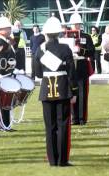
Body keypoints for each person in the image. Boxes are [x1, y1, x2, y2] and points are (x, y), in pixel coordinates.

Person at [33, 16, 77, 167]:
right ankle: (62, 160)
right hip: (63, 89)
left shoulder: (40, 49)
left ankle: (52, 160)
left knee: (50, 126)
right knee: (63, 125)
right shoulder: (65, 48)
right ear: (59, 33)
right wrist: (75, 92)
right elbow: (72, 73)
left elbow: (37, 73)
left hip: (46, 90)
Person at [68, 13, 94, 125]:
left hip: (82, 64)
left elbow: (91, 51)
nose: (77, 26)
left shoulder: (86, 36)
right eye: (75, 24)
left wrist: (80, 50)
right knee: (72, 92)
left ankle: (82, 118)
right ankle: (74, 118)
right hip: (70, 66)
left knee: (82, 93)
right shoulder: (65, 36)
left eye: (78, 24)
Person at [0, 16, 16, 131]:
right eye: (8, 28)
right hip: (2, 74)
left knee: (7, 101)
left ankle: (6, 124)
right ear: (1, 29)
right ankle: (2, 124)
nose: (10, 30)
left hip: (7, 74)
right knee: (2, 101)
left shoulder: (6, 40)